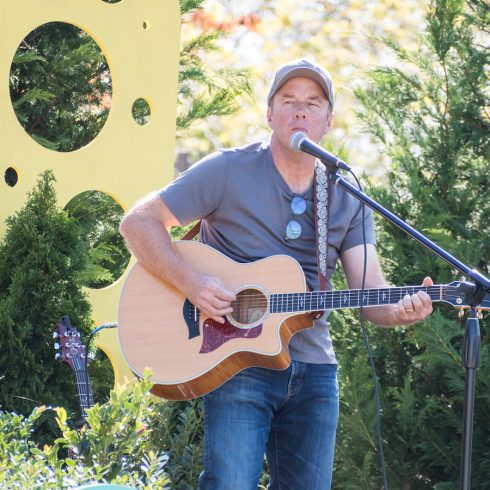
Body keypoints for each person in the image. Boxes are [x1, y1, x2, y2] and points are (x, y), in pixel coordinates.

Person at [119, 59, 433, 489]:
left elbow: (369, 292)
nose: (300, 111)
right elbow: (138, 223)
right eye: (288, 101)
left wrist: (399, 312)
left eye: (312, 103)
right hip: (237, 362)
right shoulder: (227, 170)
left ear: (328, 121)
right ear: (269, 114)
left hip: (315, 371)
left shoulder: (345, 193)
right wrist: (191, 284)